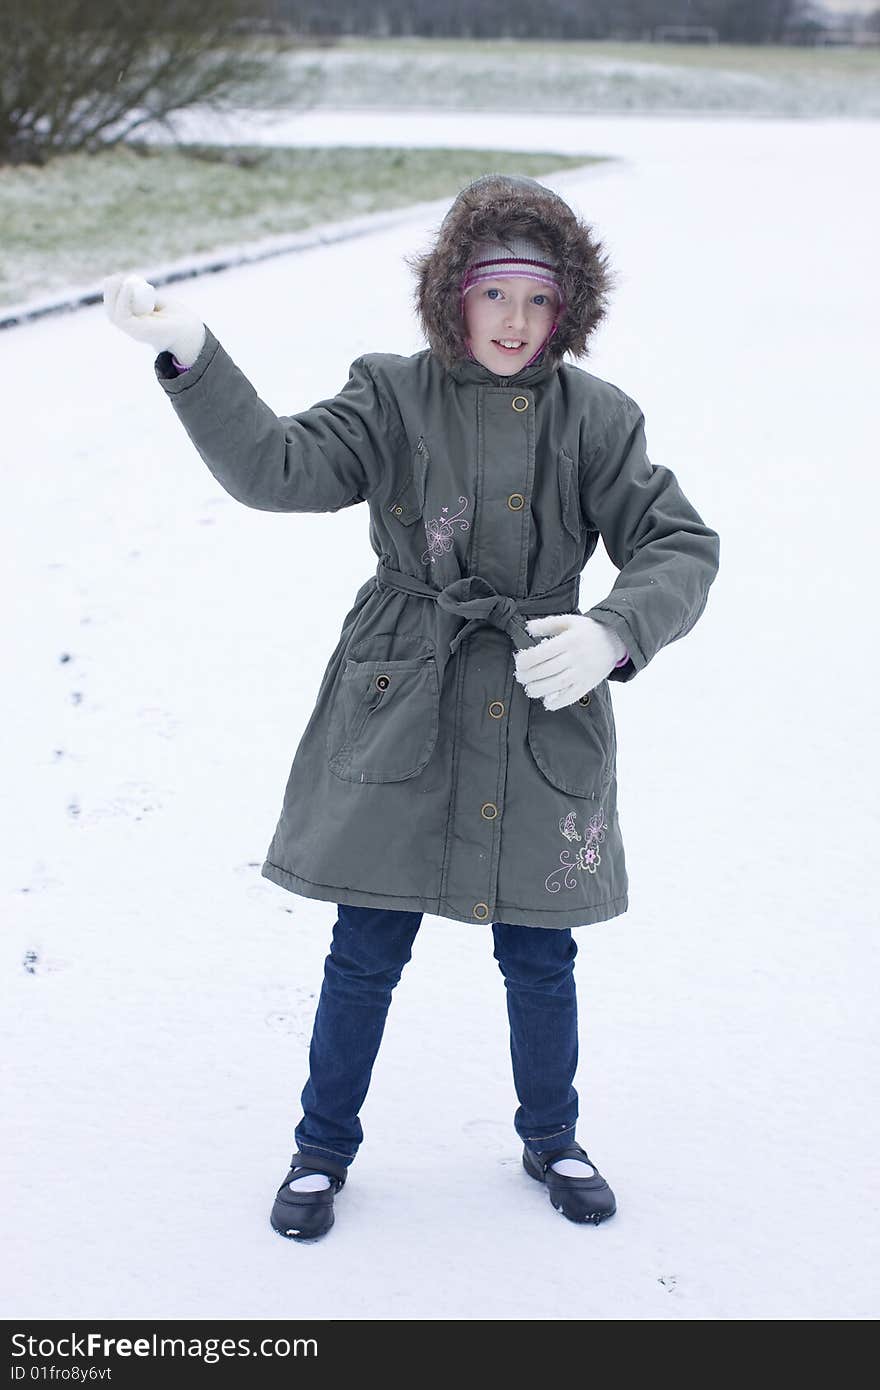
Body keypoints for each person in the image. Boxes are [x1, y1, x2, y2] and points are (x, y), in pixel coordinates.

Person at [102, 172, 720, 1242]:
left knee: (540, 949)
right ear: (453, 296)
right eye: (494, 295)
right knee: (365, 939)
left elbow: (678, 542)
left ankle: (551, 1134)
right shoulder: (391, 395)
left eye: (538, 300)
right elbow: (277, 465)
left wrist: (616, 629)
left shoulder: (599, 419)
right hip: (407, 693)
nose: (515, 323)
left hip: (539, 699)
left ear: (567, 308)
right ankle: (319, 1149)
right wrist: (195, 353)